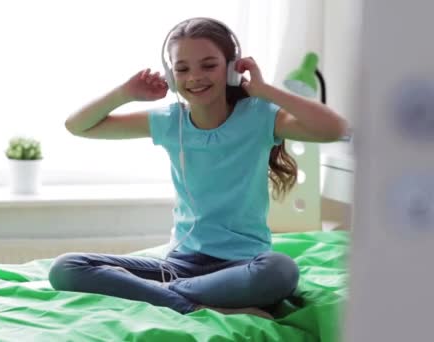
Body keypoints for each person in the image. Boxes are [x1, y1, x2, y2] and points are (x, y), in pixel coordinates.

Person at [48, 17, 348, 318]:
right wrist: (124, 93)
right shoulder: (170, 122)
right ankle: (192, 303)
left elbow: (334, 129)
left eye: (209, 65)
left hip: (243, 266)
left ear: (231, 69)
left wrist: (265, 90)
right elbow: (77, 126)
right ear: (171, 73)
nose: (195, 77)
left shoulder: (260, 116)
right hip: (179, 264)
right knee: (67, 267)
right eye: (182, 69)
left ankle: (164, 296)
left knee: (281, 270)